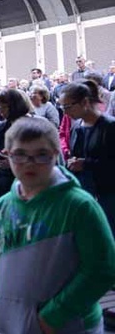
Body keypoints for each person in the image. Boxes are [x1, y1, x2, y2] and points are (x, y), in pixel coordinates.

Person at [0, 116, 115, 334]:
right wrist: (0, 300)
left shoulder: (78, 205)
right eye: (20, 155)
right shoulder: (2, 207)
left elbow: (102, 268)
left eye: (41, 155)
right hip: (20, 330)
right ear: (7, 155)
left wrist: (51, 317)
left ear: (56, 155)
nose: (30, 163)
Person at [60, 80, 115, 229]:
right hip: (86, 193)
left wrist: (86, 164)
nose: (65, 112)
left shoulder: (109, 126)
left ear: (84, 102)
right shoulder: (77, 127)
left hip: (108, 195)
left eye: (68, 106)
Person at [0, 89, 33, 208]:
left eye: (3, 107)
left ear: (14, 106)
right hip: (4, 184)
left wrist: (14, 161)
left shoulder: (36, 126)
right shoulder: (0, 127)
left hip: (29, 183)